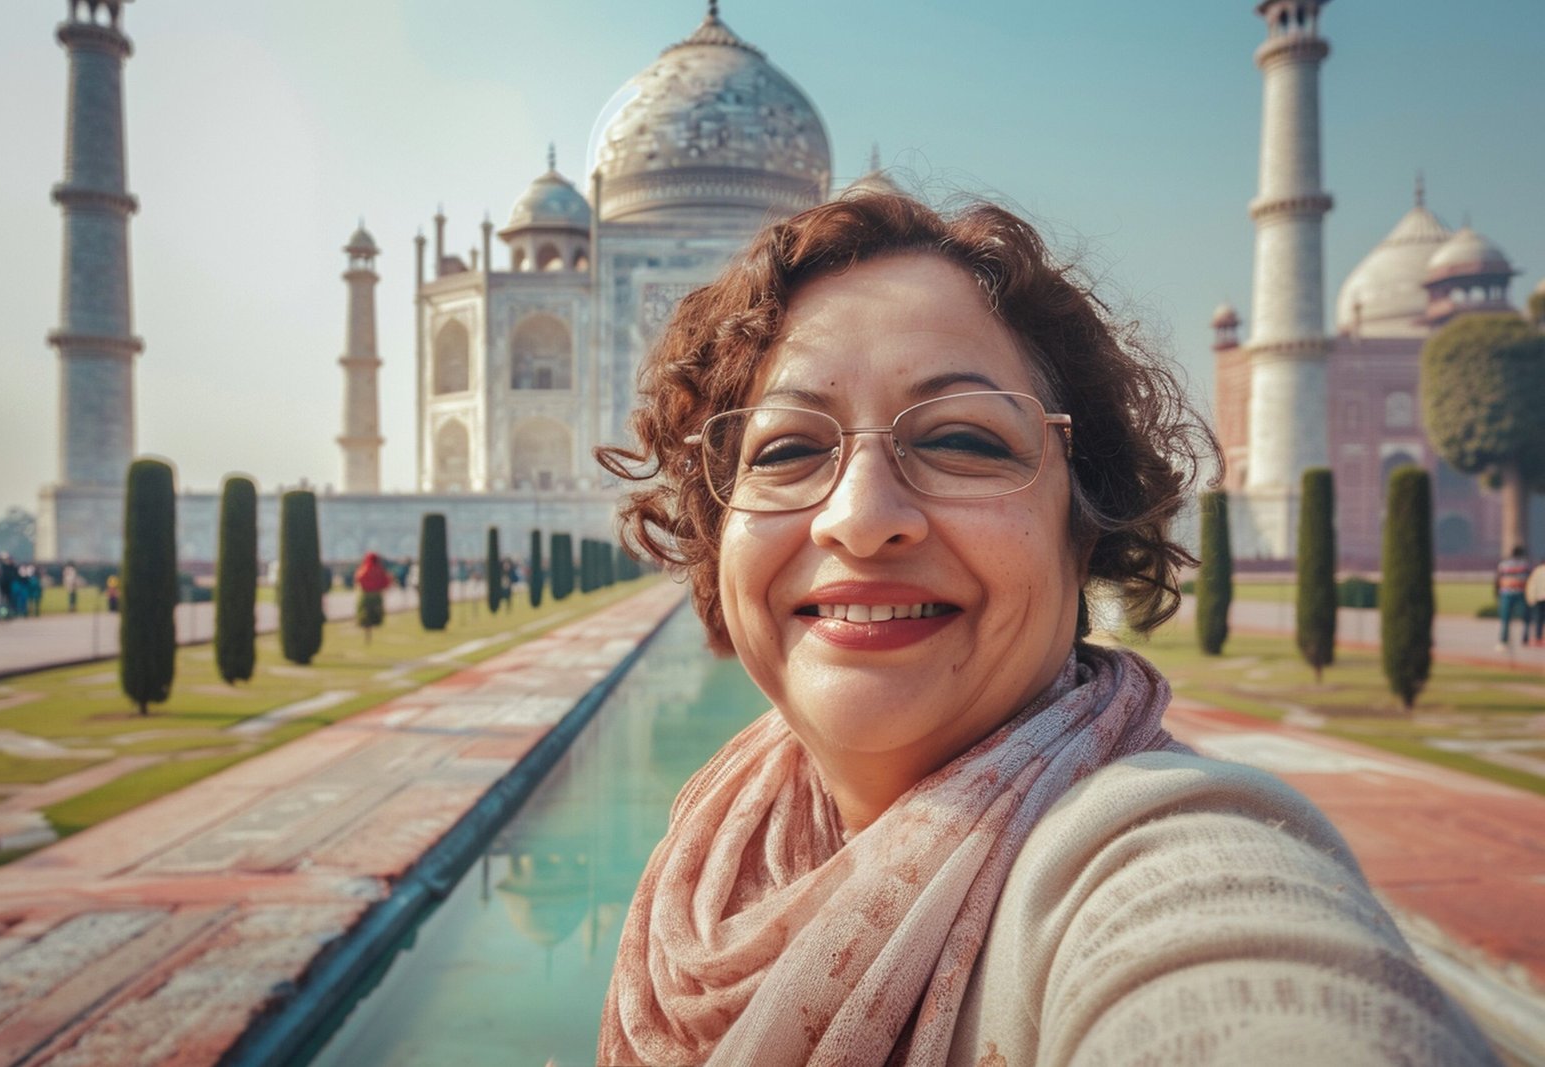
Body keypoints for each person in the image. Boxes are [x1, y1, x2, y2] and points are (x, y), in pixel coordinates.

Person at [594, 194, 1494, 1065]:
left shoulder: (1151, 858)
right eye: (787, 449)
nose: (860, 518)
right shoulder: (714, 848)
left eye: (963, 440)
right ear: (720, 535)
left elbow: (1254, 989)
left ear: (1088, 519)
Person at [1496, 544, 1530, 647]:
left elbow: (1497, 580)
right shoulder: (1525, 565)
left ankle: (1503, 640)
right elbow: (1529, 580)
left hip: (1506, 593)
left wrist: (1497, 592)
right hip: (1521, 593)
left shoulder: (1503, 564)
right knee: (1526, 617)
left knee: (1505, 618)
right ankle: (1525, 638)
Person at [354, 551, 392, 644]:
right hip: (376, 596)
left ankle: (368, 636)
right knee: (373, 616)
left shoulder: (365, 569)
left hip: (366, 596)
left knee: (366, 617)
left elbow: (359, 579)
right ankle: (369, 636)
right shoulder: (380, 570)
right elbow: (386, 581)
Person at [1526, 557, 1545, 646]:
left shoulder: (1537, 571)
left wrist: (1530, 598)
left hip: (1538, 598)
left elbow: (1532, 585)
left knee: (1538, 619)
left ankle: (1538, 638)